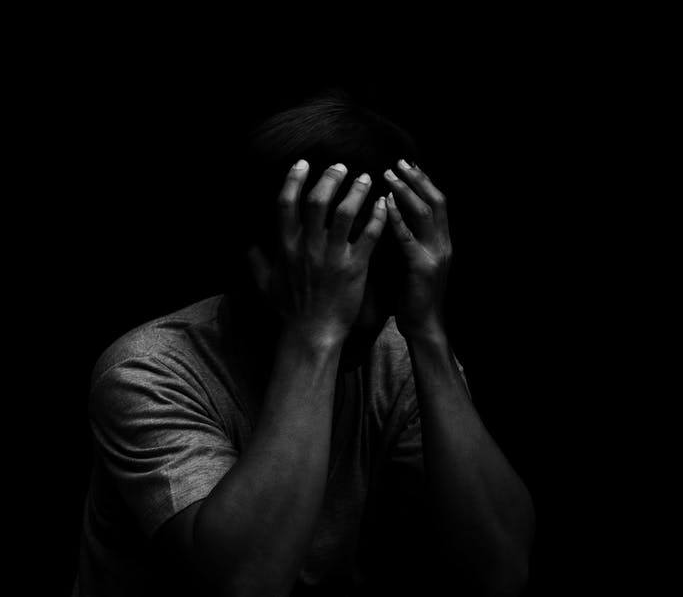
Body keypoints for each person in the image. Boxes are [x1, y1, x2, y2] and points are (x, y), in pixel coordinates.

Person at [74, 91, 535, 597]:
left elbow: (501, 568)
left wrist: (427, 330)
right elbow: (245, 584)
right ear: (258, 262)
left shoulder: (397, 353)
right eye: (328, 274)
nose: (364, 314)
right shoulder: (148, 371)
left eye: (376, 273)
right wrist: (316, 334)